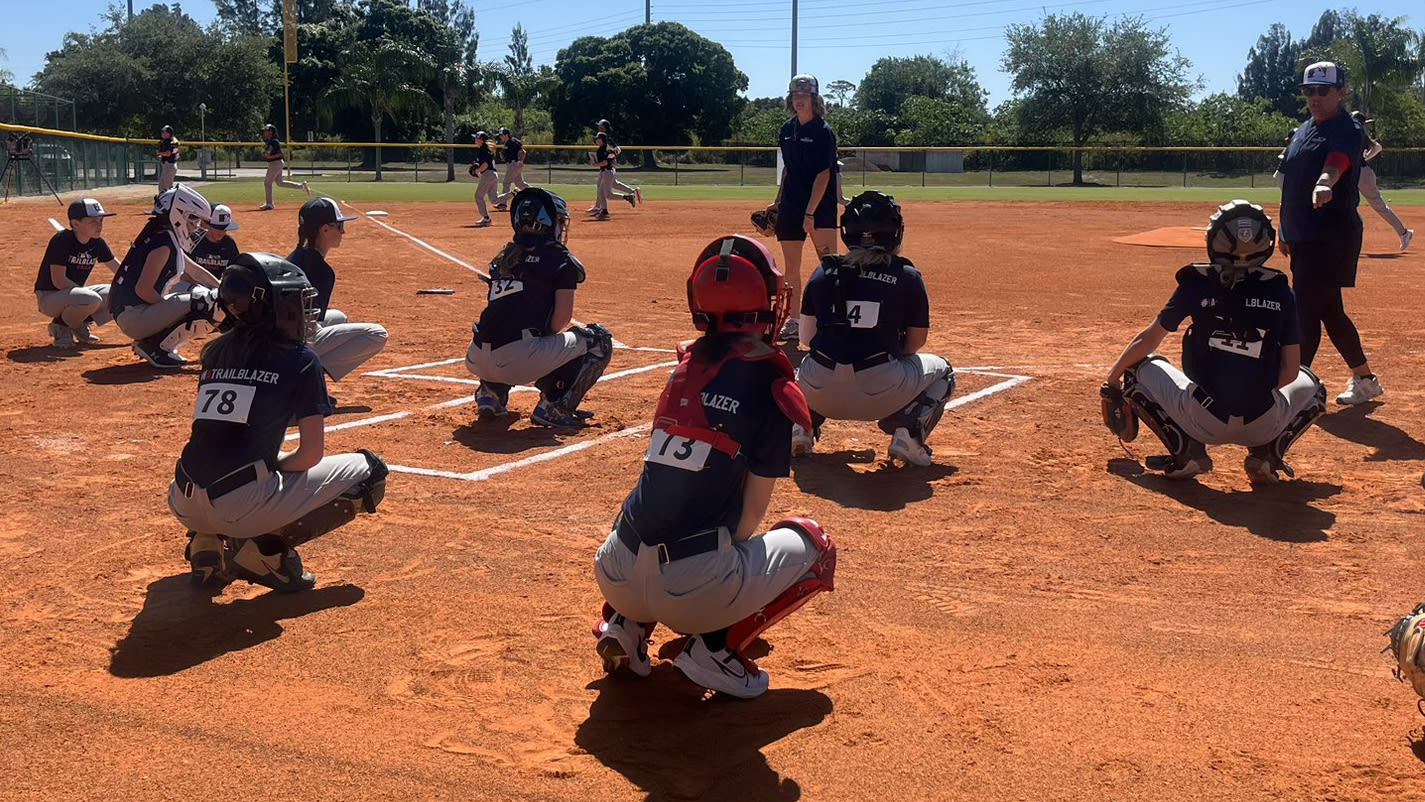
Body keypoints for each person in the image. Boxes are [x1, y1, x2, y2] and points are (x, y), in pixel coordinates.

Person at [591, 234, 836, 699]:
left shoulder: (682, 368)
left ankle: (624, 625)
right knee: (814, 542)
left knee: (663, 510)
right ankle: (715, 649)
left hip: (615, 567)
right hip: (689, 587)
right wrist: (711, 600)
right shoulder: (772, 384)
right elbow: (748, 522)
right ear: (765, 304)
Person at [169, 252, 388, 592]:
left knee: (226, 461)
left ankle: (205, 542)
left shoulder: (213, 354)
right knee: (371, 472)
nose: (303, 310)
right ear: (272, 306)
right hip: (239, 506)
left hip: (182, 497)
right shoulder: (301, 359)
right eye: (293, 299)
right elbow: (310, 455)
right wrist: (274, 467)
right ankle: (264, 553)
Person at [1101, 200, 1326, 485]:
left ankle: (1186, 452)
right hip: (1263, 422)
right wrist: (1252, 392)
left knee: (1136, 368)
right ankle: (1266, 454)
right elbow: (1291, 371)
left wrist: (1112, 379)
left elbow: (1148, 339)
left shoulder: (1197, 282)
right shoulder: (1280, 290)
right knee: (1312, 385)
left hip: (1203, 417)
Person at [792, 191, 955, 466]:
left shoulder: (823, 272)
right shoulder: (907, 276)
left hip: (818, 390)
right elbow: (915, 344)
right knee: (945, 372)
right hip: (882, 393)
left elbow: (807, 338)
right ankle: (908, 435)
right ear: (895, 233)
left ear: (846, 232)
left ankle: (800, 426)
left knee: (806, 365)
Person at [1277, 61, 1380, 406]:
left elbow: (1337, 161)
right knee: (1327, 310)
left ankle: (1294, 385)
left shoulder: (1347, 128)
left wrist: (1325, 182)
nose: (1315, 97)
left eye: (1323, 90)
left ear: (1341, 91)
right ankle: (1364, 379)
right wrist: (1284, 227)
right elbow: (1290, 185)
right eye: (1309, 91)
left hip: (1330, 236)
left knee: (1305, 309)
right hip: (1304, 234)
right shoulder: (1303, 130)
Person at [464, 188, 613, 427]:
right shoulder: (560, 259)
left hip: (475, 357)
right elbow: (561, 320)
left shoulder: (503, 256)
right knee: (598, 339)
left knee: (506, 322)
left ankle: (489, 393)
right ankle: (553, 406)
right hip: (516, 360)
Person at [109, 184, 224, 368]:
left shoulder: (162, 236)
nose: (195, 227)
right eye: (192, 219)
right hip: (134, 317)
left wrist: (220, 287)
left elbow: (194, 271)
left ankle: (154, 342)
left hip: (130, 313)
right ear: (178, 215)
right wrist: (172, 309)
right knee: (205, 302)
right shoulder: (163, 244)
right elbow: (144, 290)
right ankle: (156, 346)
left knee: (201, 293)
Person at [286, 198, 389, 391]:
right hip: (290, 346)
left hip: (273, 337)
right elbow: (308, 327)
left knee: (339, 317)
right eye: (340, 226)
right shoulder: (321, 271)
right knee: (377, 334)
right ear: (325, 230)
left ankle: (300, 372)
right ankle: (305, 381)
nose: (343, 232)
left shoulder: (296, 255)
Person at [768, 74, 838, 343]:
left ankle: (833, 319)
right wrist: (778, 200)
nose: (799, 100)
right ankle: (794, 320)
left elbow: (824, 175)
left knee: (830, 264)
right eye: (795, 96)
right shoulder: (787, 129)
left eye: (804, 96)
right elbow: (788, 170)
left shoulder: (823, 131)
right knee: (791, 268)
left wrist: (810, 212)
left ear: (814, 99)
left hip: (819, 207)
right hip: (792, 205)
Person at [35, 198, 121, 348]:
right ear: (75, 224)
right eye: (92, 221)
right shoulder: (62, 240)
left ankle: (76, 322)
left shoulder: (97, 243)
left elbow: (120, 271)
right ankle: (61, 326)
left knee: (119, 293)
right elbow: (59, 281)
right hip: (49, 297)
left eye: (101, 220)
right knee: (91, 299)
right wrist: (88, 300)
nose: (99, 225)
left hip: (74, 295)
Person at [1353, 112, 1414, 252]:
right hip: (1357, 173)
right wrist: (1365, 158)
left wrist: (1364, 159)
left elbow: (1378, 147)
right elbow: (1377, 147)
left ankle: (1404, 233)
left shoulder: (1358, 134)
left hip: (1362, 174)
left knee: (1379, 206)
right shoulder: (1359, 134)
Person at [258, 123, 311, 211]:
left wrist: (269, 157)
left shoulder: (273, 141)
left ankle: (269, 204)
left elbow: (280, 154)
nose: (265, 132)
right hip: (276, 163)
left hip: (275, 163)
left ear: (271, 132)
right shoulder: (271, 141)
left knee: (267, 183)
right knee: (280, 183)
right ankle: (301, 186)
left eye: (266, 131)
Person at [594, 119, 640, 209]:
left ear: (605, 128)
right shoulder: (601, 137)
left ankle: (599, 207)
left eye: (601, 127)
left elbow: (617, 149)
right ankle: (633, 192)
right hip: (607, 167)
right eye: (598, 126)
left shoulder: (607, 138)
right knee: (614, 184)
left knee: (601, 186)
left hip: (608, 166)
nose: (599, 128)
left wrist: (613, 157)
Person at [188, 204, 241, 282]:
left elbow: (235, 269)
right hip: (191, 284)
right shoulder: (192, 240)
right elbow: (183, 271)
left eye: (225, 229)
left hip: (215, 285)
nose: (222, 232)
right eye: (218, 228)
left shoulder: (229, 243)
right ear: (204, 224)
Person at [493, 127, 530, 209]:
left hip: (514, 165)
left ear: (506, 135)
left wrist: (521, 161)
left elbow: (523, 152)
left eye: (501, 135)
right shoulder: (506, 143)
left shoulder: (513, 142)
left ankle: (503, 203)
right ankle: (534, 193)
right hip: (511, 165)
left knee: (506, 183)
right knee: (520, 184)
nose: (500, 137)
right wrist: (503, 157)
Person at [469, 130, 499, 227]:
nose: (475, 139)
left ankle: (486, 218)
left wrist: (477, 170)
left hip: (488, 174)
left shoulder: (483, 150)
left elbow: (485, 165)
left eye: (476, 138)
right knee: (494, 199)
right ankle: (513, 193)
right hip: (493, 174)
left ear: (481, 140)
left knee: (478, 196)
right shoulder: (487, 149)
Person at [156, 125, 179, 195]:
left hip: (169, 166)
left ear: (169, 133)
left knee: (167, 188)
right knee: (162, 187)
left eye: (164, 132)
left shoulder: (169, 142)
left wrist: (159, 153)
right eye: (162, 132)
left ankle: (170, 204)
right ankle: (163, 203)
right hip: (168, 166)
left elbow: (168, 154)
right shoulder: (172, 141)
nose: (162, 133)